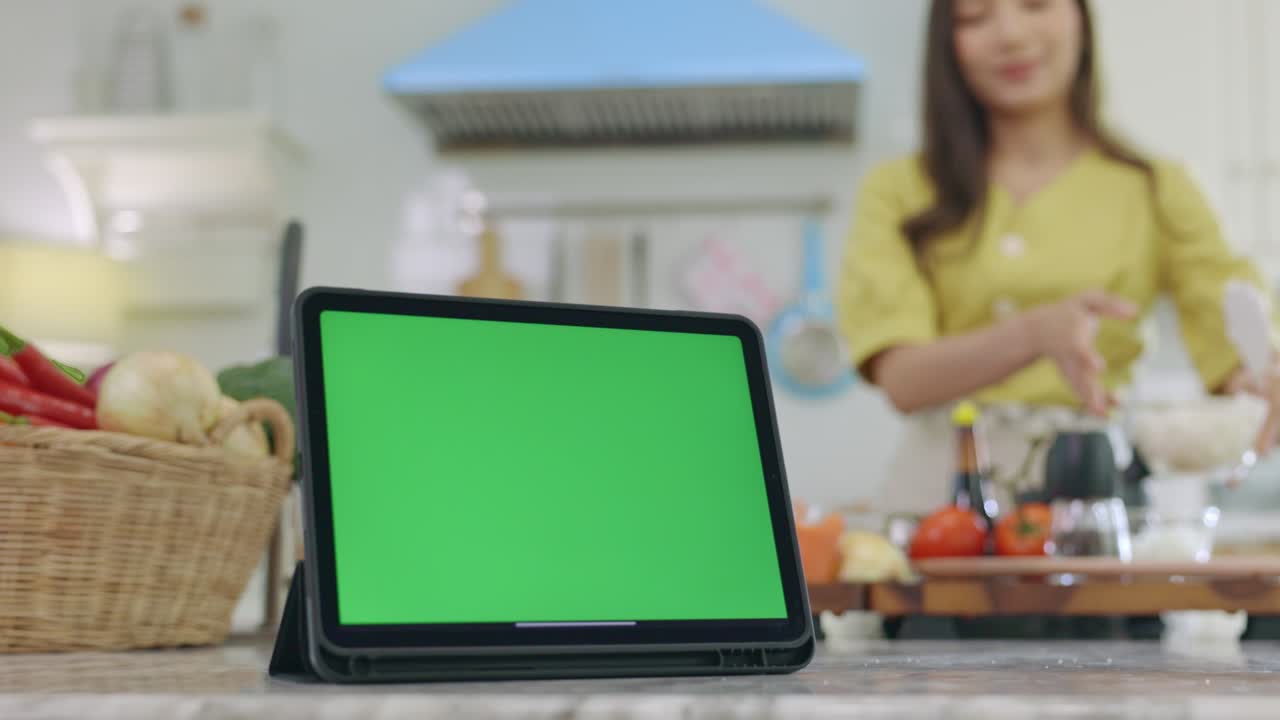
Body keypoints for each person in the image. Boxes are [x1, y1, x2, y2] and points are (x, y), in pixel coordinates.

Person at [838, 0, 1278, 516]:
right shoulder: (897, 191)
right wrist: (1034, 335)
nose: (1011, 35)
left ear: (1080, 19)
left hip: (1094, 492)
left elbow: (1229, 322)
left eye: (1036, 5)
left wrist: (1256, 379)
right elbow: (904, 380)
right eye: (976, 17)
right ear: (946, 44)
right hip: (941, 502)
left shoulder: (1154, 188)